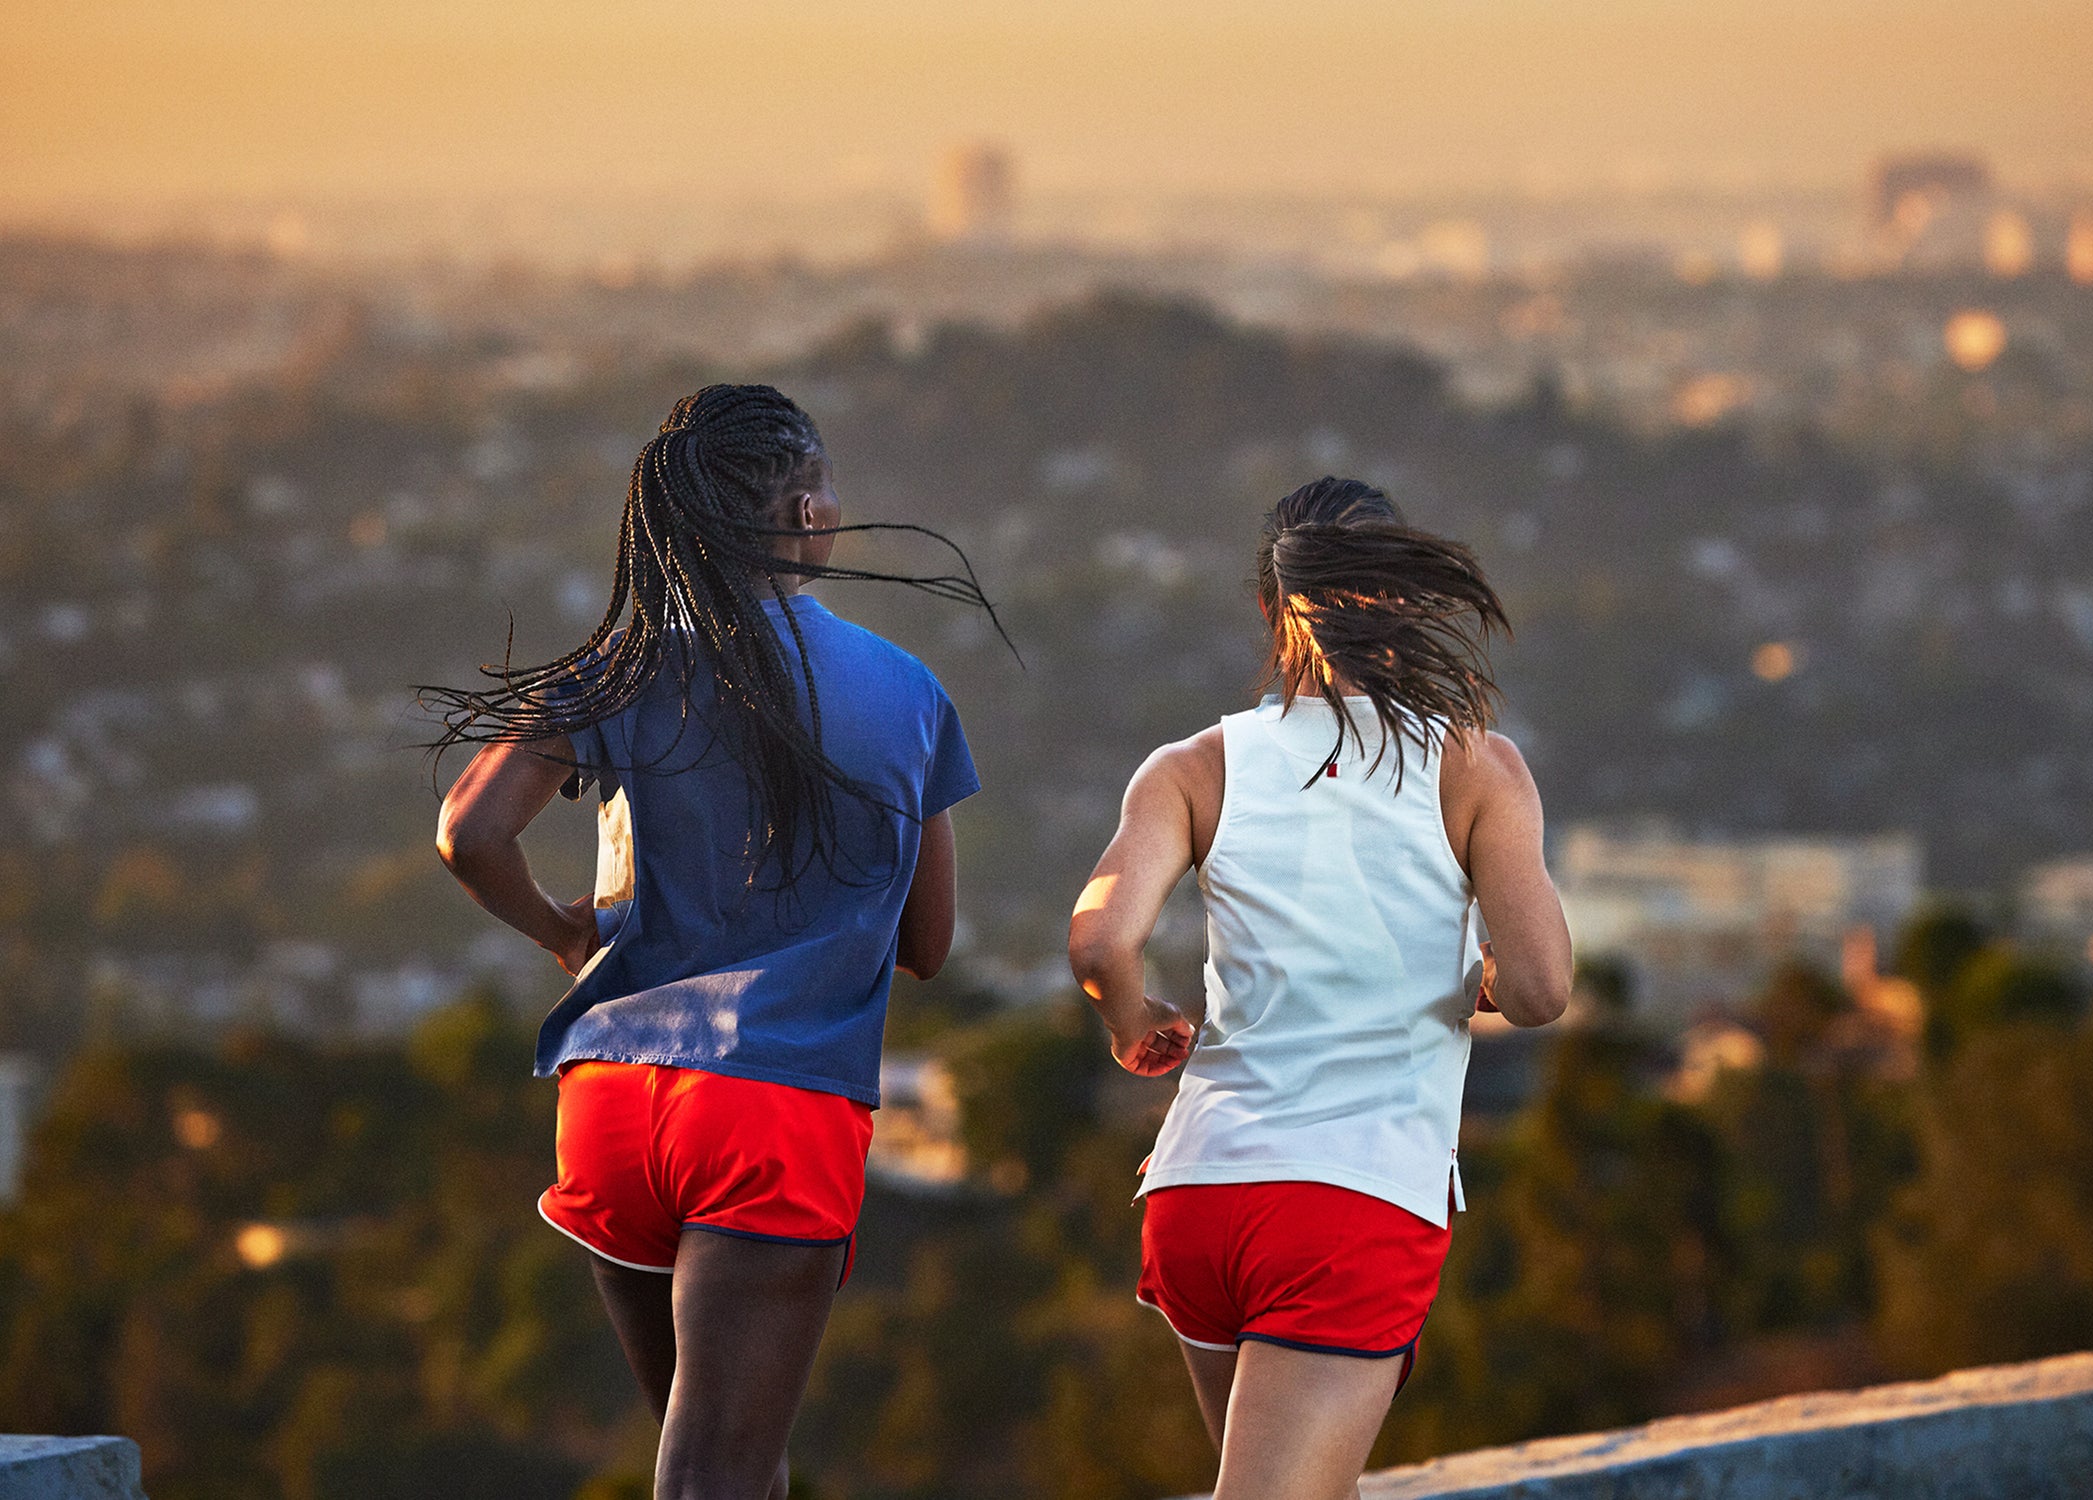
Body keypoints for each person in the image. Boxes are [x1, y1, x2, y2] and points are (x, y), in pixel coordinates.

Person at [425, 384, 988, 1500]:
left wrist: (561, 935)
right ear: (812, 517)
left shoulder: (615, 671)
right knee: (715, 1475)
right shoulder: (910, 696)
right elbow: (929, 944)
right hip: (773, 1109)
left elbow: (469, 832)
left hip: (609, 1105)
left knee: (732, 1460)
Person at [1068, 476, 1573, 1500]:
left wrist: (1137, 1022)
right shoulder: (1476, 766)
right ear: (1408, 598)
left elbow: (1101, 942)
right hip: (1350, 1201)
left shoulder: (1192, 766)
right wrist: (1475, 978)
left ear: (1271, 608)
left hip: (1199, 1193)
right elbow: (1541, 988)